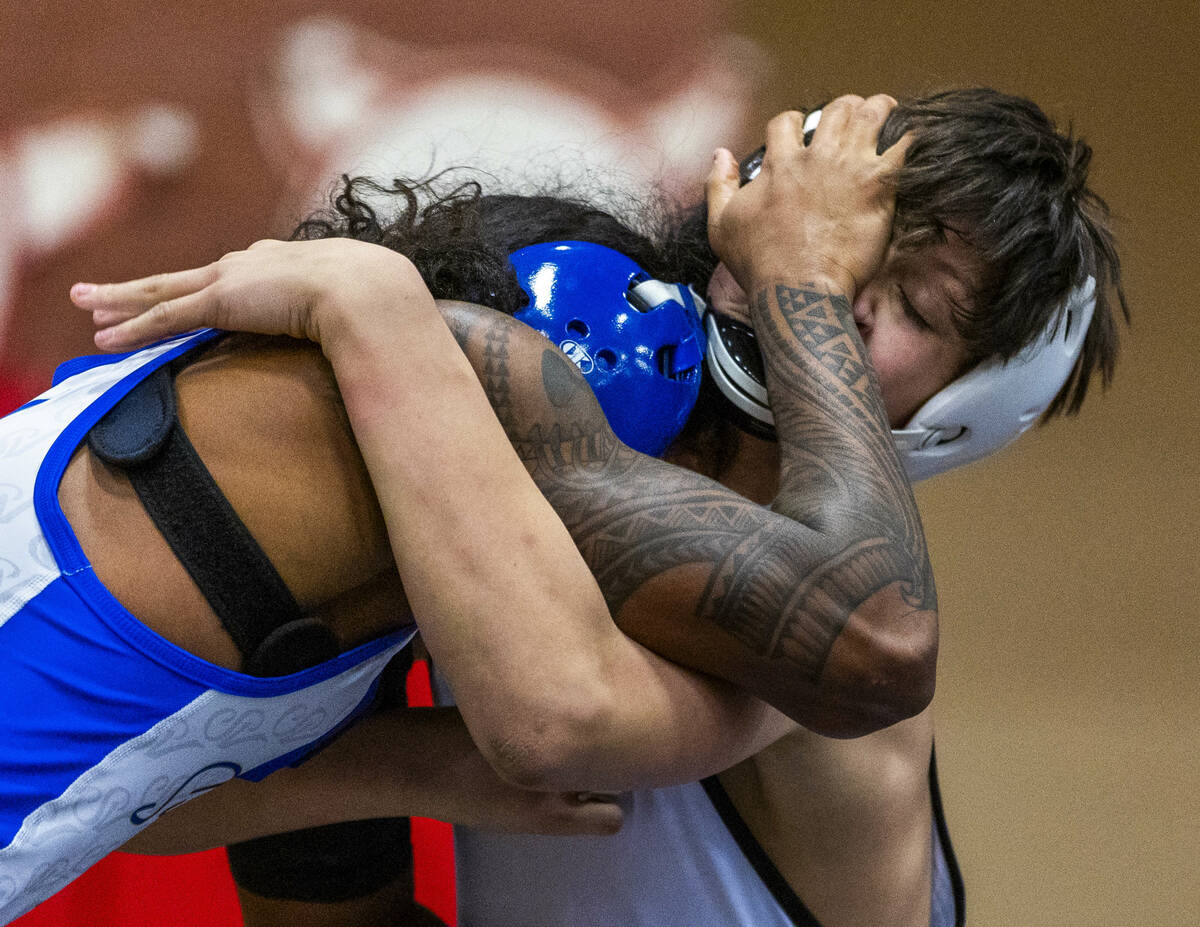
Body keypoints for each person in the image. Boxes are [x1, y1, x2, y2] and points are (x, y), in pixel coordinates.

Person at [88, 87, 1121, 927]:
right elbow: (142, 802)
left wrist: (415, 765)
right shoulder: (565, 432)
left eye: (910, 305)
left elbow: (558, 722)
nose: (839, 282)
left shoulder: (842, 631)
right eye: (848, 243)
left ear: (959, 417)